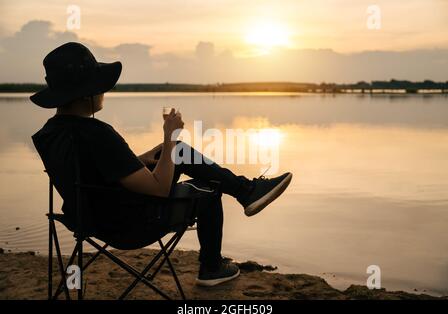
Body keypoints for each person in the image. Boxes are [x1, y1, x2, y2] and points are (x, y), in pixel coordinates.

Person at [30, 42, 292, 287]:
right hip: (130, 225)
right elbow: (159, 189)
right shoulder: (97, 133)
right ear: (85, 93)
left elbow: (97, 171)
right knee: (207, 189)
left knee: (176, 152)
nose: (103, 91)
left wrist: (150, 156)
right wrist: (169, 137)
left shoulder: (51, 134)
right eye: (99, 85)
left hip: (89, 218)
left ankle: (245, 191)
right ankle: (213, 263)